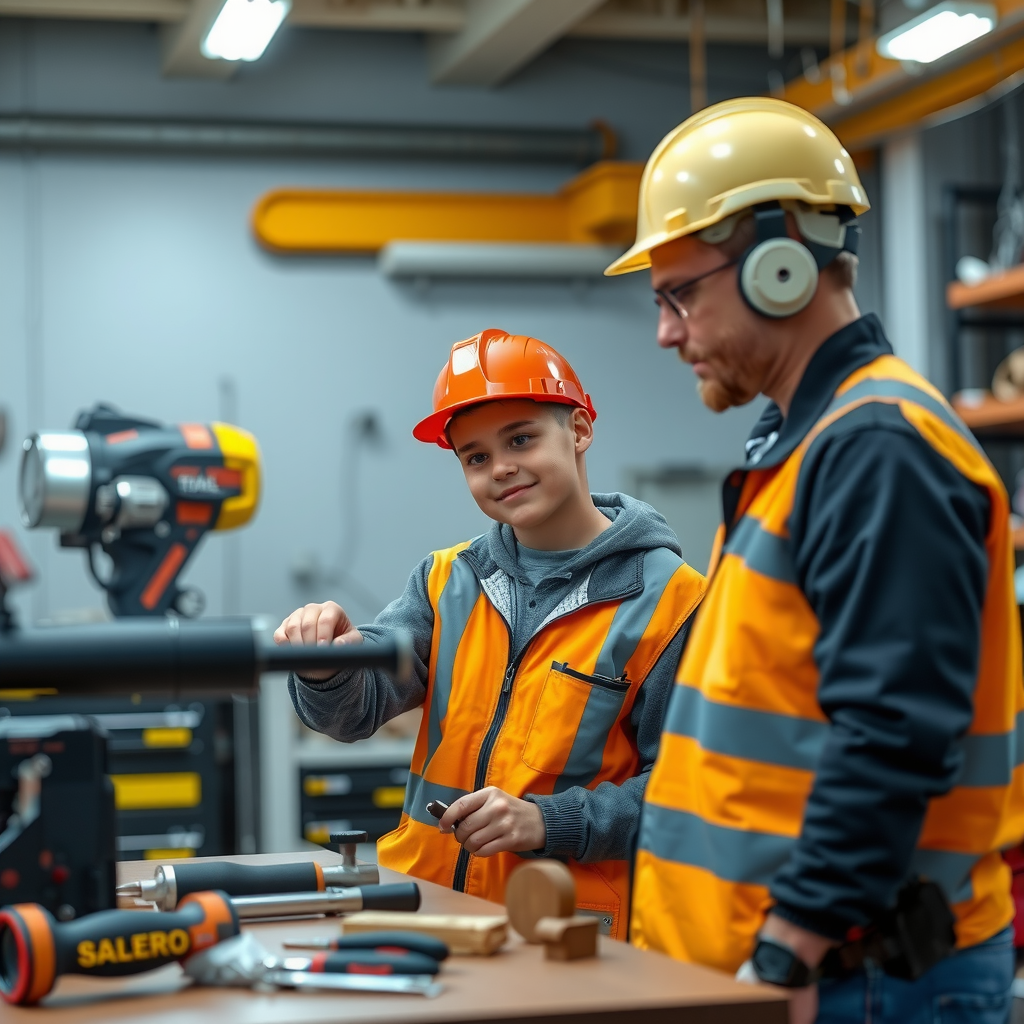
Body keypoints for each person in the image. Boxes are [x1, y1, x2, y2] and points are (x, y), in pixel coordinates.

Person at [605, 97, 1024, 1021]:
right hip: (801, 972)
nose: (667, 333)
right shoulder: (801, 445)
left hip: (853, 979)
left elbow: (893, 731)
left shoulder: (880, 450)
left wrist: (790, 951)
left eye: (680, 296)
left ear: (780, 265)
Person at [276, 328, 706, 939]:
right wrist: (326, 668)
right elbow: (352, 715)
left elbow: (687, 791)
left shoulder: (674, 601)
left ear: (580, 429)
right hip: (427, 913)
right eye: (475, 457)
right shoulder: (447, 581)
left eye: (521, 439)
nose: (500, 468)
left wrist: (545, 822)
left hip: (563, 929)